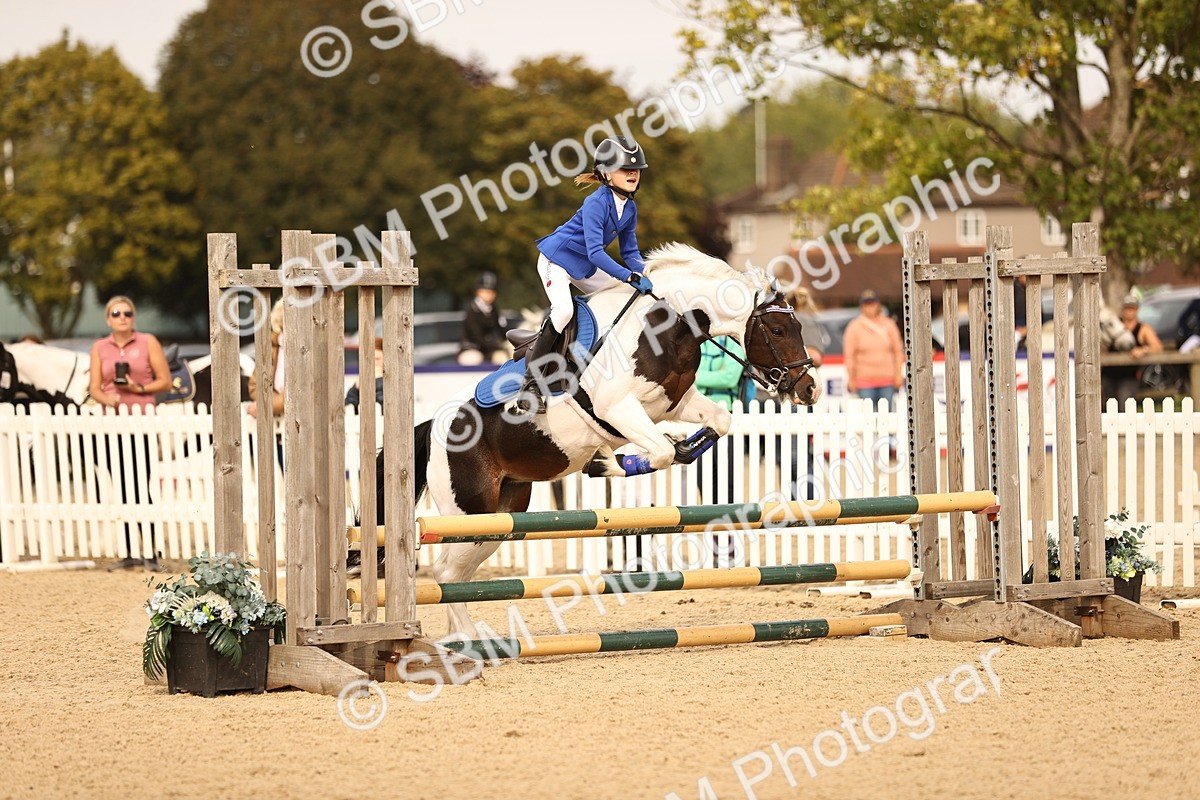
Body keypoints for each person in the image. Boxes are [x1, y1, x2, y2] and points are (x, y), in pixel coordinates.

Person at [517, 135, 653, 413]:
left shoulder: (630, 208)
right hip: (557, 260)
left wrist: (647, 273)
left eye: (636, 169)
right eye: (625, 169)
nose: (633, 173)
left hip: (584, 266)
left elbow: (630, 253)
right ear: (606, 173)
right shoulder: (596, 202)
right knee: (564, 311)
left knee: (623, 300)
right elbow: (595, 253)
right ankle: (530, 384)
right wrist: (628, 276)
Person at [88, 296, 171, 571]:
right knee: (121, 487)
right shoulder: (100, 347)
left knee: (141, 485)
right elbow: (94, 387)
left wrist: (138, 389)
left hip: (141, 421)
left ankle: (151, 551)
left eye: (126, 313)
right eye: (116, 313)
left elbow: (165, 381)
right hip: (112, 422)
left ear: (133, 317)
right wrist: (106, 399)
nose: (121, 317)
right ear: (108, 319)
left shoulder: (148, 342)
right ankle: (128, 551)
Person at [844, 289, 904, 410]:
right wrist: (851, 378)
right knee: (867, 415)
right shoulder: (854, 327)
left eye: (872, 304)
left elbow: (898, 352)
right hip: (864, 381)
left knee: (887, 414)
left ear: (878, 305)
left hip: (887, 379)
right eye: (866, 304)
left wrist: (898, 374)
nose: (869, 307)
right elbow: (849, 355)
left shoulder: (889, 324)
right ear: (862, 307)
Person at [1102, 293, 1164, 405]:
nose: (1129, 311)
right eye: (1127, 308)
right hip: (1108, 374)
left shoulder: (1143, 328)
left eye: (1132, 308)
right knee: (1105, 405)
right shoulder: (1113, 325)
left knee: (1124, 403)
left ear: (1137, 309)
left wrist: (1144, 350)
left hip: (1128, 375)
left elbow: (1158, 347)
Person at [458, 272, 509, 365]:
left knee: (503, 358)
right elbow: (477, 336)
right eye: (487, 292)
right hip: (471, 348)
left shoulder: (494, 309)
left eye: (493, 292)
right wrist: (495, 345)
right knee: (473, 359)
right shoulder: (472, 311)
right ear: (478, 292)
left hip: (488, 349)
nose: (491, 295)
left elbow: (502, 330)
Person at [346, 336, 384, 410]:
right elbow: (349, 406)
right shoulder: (364, 379)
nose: (373, 363)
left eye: (377, 359)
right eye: (370, 359)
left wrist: (378, 380)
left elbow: (385, 404)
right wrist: (356, 388)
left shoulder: (395, 381)